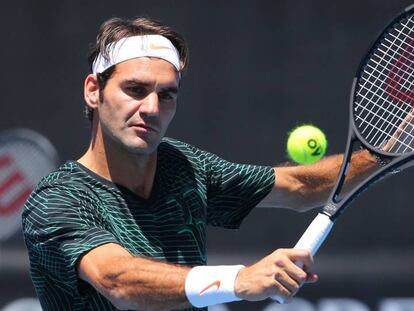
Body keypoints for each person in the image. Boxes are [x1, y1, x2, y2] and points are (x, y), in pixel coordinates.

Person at [22, 17, 379, 311]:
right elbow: (118, 280)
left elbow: (303, 186)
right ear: (93, 91)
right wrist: (238, 280)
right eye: (134, 89)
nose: (151, 108)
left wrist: (391, 149)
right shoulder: (57, 199)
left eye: (166, 95)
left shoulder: (185, 166)